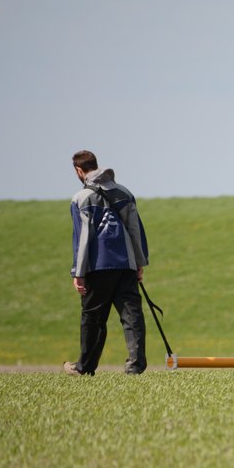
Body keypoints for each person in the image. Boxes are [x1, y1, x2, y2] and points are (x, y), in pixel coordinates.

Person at [63, 150, 149, 376]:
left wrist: (78, 272)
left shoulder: (80, 198)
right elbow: (135, 230)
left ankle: (85, 368)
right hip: (125, 266)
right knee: (132, 318)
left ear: (79, 171)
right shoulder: (124, 193)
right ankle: (135, 367)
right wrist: (139, 262)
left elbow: (82, 238)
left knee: (93, 319)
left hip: (97, 268)